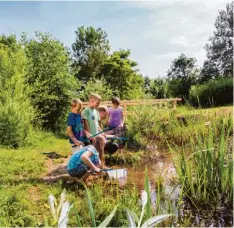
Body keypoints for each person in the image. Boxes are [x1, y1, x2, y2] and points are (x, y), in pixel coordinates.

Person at [82, 93, 107, 167]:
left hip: (97, 135)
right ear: (92, 101)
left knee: (101, 150)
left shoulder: (96, 112)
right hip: (91, 136)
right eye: (97, 103)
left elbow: (98, 125)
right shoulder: (86, 111)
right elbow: (85, 124)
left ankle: (102, 165)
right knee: (92, 153)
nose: (98, 105)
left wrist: (102, 132)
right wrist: (90, 135)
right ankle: (93, 167)